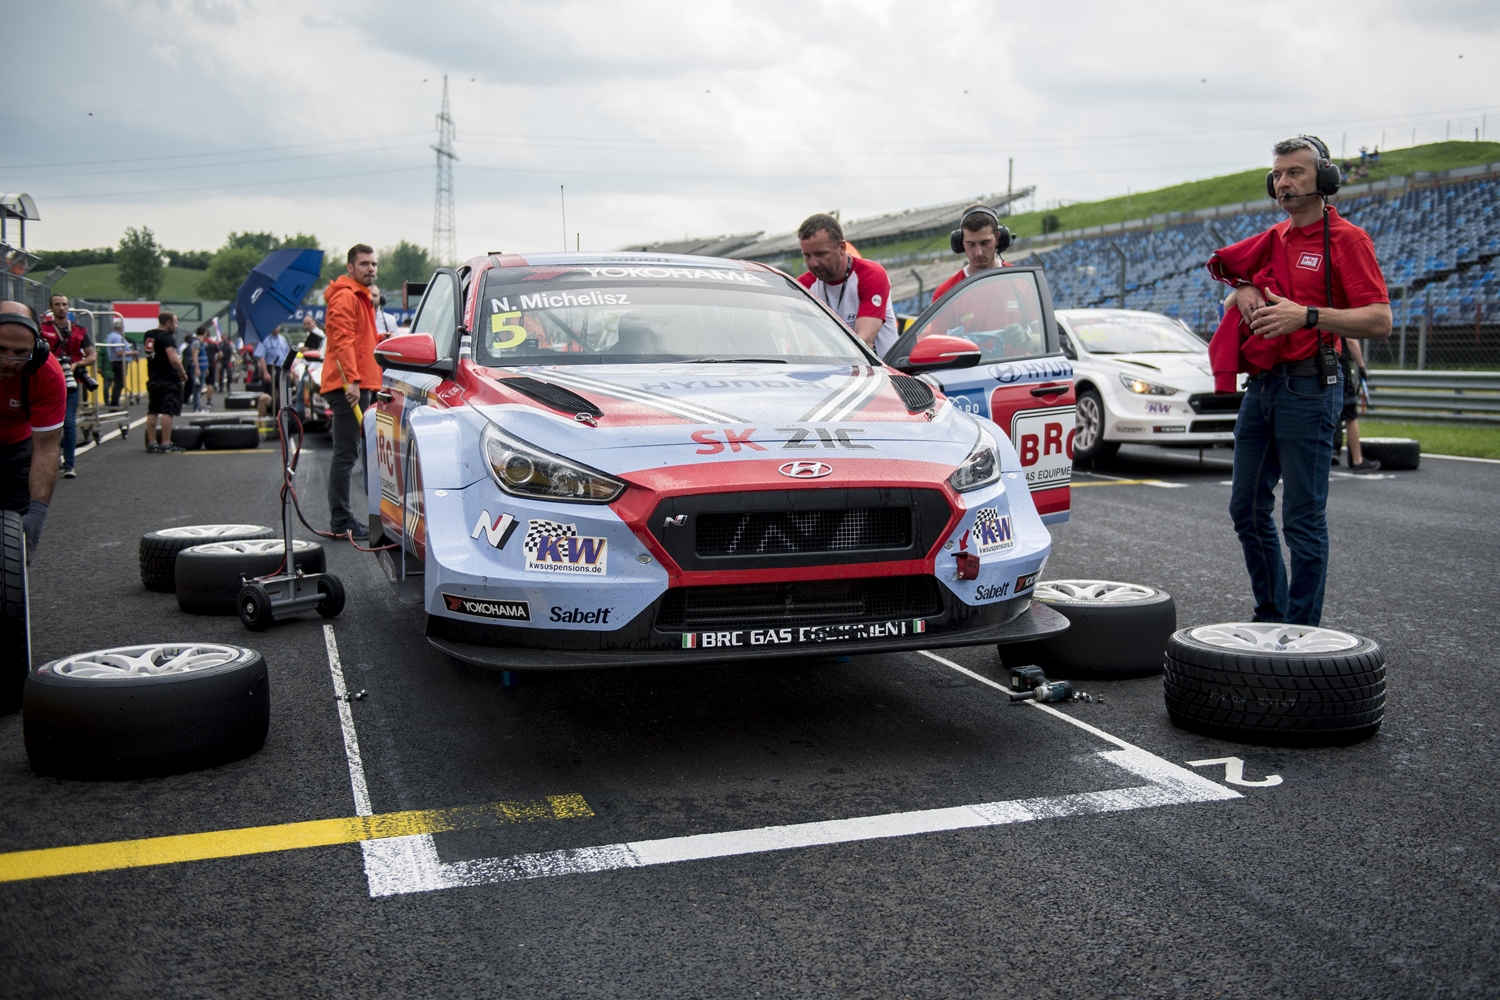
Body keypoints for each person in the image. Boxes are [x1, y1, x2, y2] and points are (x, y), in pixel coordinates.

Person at [1207, 135, 1392, 626]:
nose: (1283, 182)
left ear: (1325, 179)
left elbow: (1379, 320)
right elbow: (1237, 286)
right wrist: (1243, 288)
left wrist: (1308, 317)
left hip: (1311, 387)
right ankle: (1271, 617)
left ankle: (1301, 633)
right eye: (1278, 174)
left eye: (1295, 172)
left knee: (1302, 522)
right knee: (1245, 510)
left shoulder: (1348, 240)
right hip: (1263, 388)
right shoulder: (1276, 237)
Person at [322, 244, 380, 539]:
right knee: (346, 455)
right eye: (364, 264)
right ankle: (342, 521)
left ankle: (343, 519)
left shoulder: (361, 297)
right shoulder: (346, 296)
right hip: (349, 386)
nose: (371, 269)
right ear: (350, 267)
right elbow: (343, 340)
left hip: (361, 382)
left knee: (351, 453)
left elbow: (362, 340)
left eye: (373, 264)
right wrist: (353, 382)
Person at [0, 302, 65, 563]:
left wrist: (37, 514)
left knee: (13, 545)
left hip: (18, 450)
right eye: (1, 349)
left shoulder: (47, 374)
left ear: (37, 349)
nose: (8, 361)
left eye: (20, 352)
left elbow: (47, 447)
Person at [795, 214, 898, 356]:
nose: (813, 263)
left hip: (882, 372)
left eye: (820, 254)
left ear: (842, 247)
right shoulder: (802, 286)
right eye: (807, 255)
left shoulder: (870, 274)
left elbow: (864, 342)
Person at [39, 294, 95, 479]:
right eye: (57, 305)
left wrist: (77, 364)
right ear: (51, 307)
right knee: (44, 423)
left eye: (64, 304)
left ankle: (69, 464)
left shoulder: (79, 330)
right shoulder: (43, 329)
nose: (61, 308)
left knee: (69, 422)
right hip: (47, 381)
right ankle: (43, 461)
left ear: (68, 307)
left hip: (70, 381)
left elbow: (92, 356)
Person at [932, 204, 1014, 302]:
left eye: (985, 243)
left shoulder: (1019, 282)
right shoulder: (945, 294)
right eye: (971, 244)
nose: (978, 252)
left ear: (997, 238)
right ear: (961, 242)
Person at [143, 311, 189, 454]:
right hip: (167, 379)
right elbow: (173, 358)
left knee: (153, 410)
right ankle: (165, 443)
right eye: (175, 322)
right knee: (167, 411)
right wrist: (182, 372)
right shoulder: (167, 338)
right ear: (168, 323)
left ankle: (152, 443)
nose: (176, 326)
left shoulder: (149, 335)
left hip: (153, 377)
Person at [1336, 337, 1378, 473]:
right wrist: (1361, 366)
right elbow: (1351, 340)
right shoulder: (1343, 314)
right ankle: (1357, 459)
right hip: (1339, 365)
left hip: (1317, 362)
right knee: (1350, 413)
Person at [103, 317, 128, 408]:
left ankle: (114, 402)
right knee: (119, 383)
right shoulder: (117, 337)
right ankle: (114, 403)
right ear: (120, 327)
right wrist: (132, 353)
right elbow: (119, 352)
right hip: (119, 362)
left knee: (117, 383)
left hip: (114, 362)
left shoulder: (111, 336)